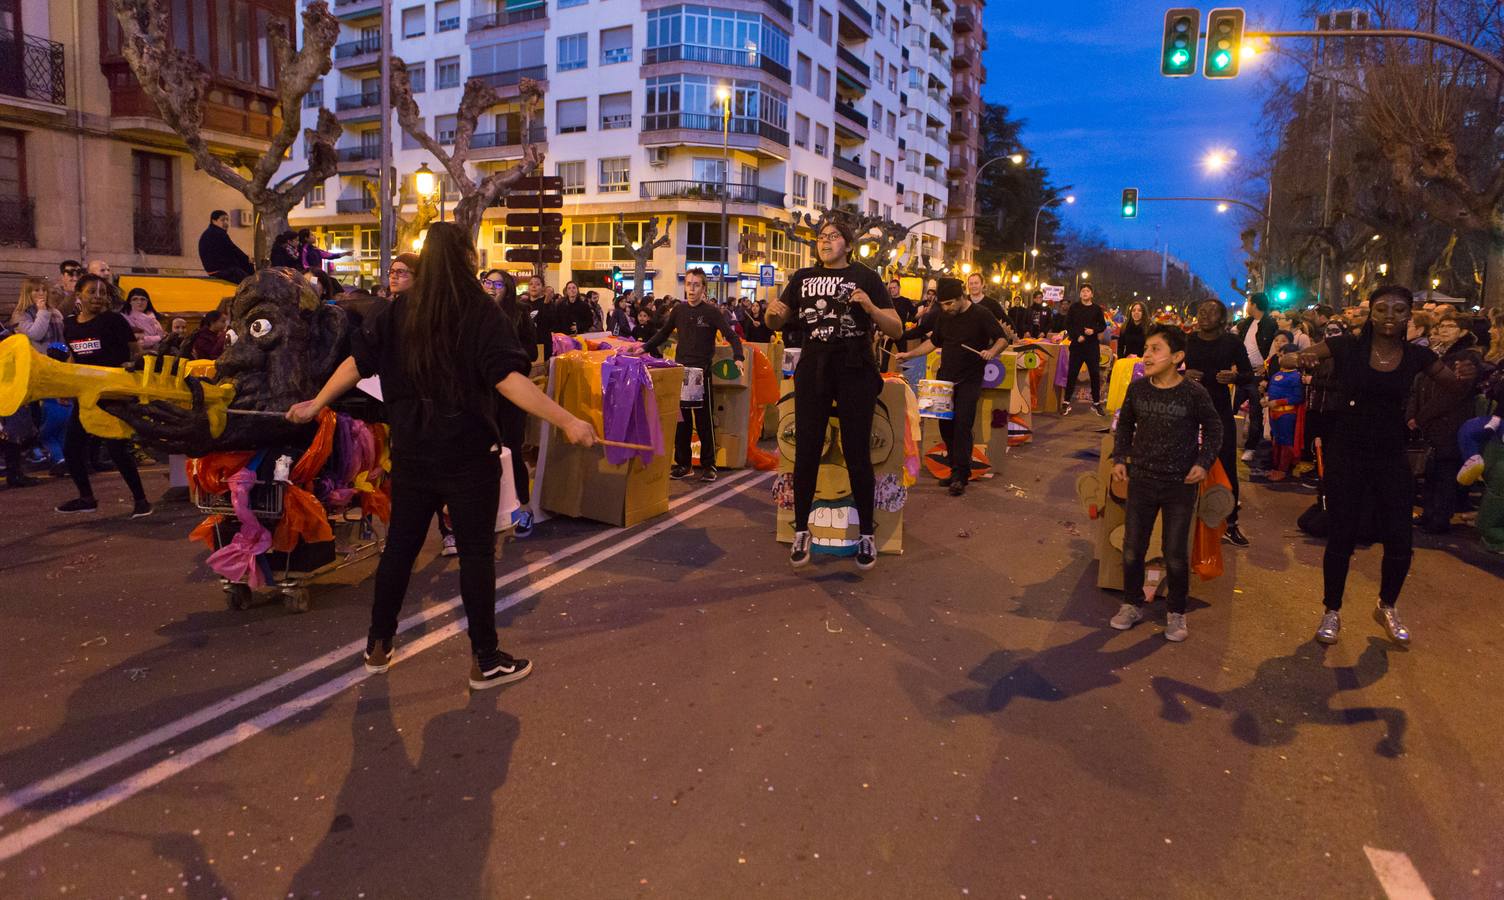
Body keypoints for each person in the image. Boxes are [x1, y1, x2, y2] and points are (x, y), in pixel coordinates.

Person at [286, 222, 597, 690]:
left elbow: (356, 363)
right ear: (468, 259)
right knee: (476, 556)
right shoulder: (480, 312)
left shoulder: (398, 311)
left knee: (400, 551)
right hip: (468, 456)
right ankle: (485, 660)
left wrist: (316, 403)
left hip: (412, 455)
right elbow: (507, 380)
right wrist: (568, 421)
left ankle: (377, 644)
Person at [1283, 285, 1476, 646]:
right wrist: (1299, 358)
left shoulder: (1417, 357)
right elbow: (1291, 359)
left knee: (1400, 538)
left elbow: (1454, 388)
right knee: (1342, 534)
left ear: (1408, 316)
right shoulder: (1346, 347)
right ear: (1371, 312)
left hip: (1390, 454)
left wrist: (1465, 377)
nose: (1390, 316)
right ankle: (1332, 610)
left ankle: (1386, 605)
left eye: (1399, 310)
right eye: (1382, 309)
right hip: (1348, 451)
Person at [764, 219, 901, 570]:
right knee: (807, 449)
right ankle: (802, 530)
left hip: (855, 366)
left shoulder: (867, 276)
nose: (825, 242)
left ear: (848, 244)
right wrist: (772, 315)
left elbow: (896, 328)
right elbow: (776, 321)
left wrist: (870, 307)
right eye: (821, 237)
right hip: (814, 366)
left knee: (858, 451)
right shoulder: (802, 278)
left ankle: (866, 534)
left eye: (833, 236)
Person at [1108, 325, 1223, 643]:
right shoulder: (1138, 389)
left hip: (1179, 485)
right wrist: (1120, 458)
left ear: (1177, 357)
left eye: (1156, 349)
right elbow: (1125, 425)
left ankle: (1176, 613)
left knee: (1174, 553)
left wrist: (1203, 463)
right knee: (1132, 550)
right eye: (1146, 348)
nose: (1147, 354)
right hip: (1142, 480)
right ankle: (1131, 604)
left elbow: (1215, 430)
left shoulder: (1194, 393)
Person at [894, 277, 1008, 496]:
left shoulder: (982, 314)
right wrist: (909, 354)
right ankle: (956, 469)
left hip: (970, 379)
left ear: (961, 298)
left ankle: (960, 476)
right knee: (945, 427)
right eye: (942, 304)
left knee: (963, 425)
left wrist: (992, 352)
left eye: (949, 304)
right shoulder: (944, 316)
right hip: (945, 378)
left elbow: (1002, 339)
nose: (945, 308)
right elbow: (933, 342)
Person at [54, 275, 152, 518]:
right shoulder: (70, 325)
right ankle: (86, 498)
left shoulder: (114, 320)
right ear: (79, 294)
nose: (97, 297)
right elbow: (73, 358)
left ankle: (141, 501)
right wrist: (66, 387)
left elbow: (135, 352)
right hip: (86, 394)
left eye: (102, 292)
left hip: (112, 394)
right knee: (72, 448)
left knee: (117, 448)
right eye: (91, 291)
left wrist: (132, 365)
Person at [639, 268, 744, 482]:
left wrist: (738, 356)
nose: (692, 289)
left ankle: (709, 464)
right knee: (682, 421)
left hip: (701, 373)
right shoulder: (678, 311)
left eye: (696, 285)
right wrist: (643, 347)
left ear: (704, 289)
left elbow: (731, 335)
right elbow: (663, 333)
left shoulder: (712, 312)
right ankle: (683, 464)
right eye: (688, 284)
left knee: (704, 421)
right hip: (681, 371)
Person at [1183, 298, 1254, 546]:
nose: (1203, 315)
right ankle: (1185, 518)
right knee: (1183, 461)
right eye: (1201, 310)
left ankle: (1230, 523)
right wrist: (1184, 374)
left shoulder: (1232, 343)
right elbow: (1170, 365)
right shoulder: (1188, 340)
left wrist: (1234, 376)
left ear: (1222, 320)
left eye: (1210, 312)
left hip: (1219, 409)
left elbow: (1248, 375)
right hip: (1188, 408)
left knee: (1225, 466)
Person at [1407, 309, 1483, 533]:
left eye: (1450, 327)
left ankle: (1439, 518)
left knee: (1445, 473)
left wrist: (1422, 416)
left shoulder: (1467, 357)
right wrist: (1414, 413)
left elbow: (1451, 393)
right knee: (1432, 471)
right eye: (1441, 326)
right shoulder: (1439, 352)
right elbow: (1419, 384)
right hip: (1434, 422)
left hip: (1450, 421)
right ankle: (1429, 514)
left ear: (1463, 331)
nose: (1443, 330)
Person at [1235, 292, 1278, 461]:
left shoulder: (1270, 324)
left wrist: (1266, 366)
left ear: (1254, 304)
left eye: (1248, 302)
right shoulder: (1246, 323)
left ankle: (1251, 447)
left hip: (1258, 376)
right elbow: (1239, 344)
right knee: (1232, 406)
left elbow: (1274, 349)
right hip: (1242, 373)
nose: (1246, 305)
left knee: (1255, 412)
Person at [1061, 283, 1108, 416]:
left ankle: (1096, 403)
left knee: (1094, 374)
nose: (1085, 293)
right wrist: (1077, 336)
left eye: (1087, 291)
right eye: (1083, 291)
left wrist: (1093, 331)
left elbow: (1103, 325)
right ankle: (1066, 402)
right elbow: (1067, 324)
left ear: (1092, 294)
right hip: (1077, 346)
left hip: (1092, 346)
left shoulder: (1097, 309)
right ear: (1080, 294)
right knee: (1072, 374)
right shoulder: (1074, 307)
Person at [10, 277, 65, 353]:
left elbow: (62, 337)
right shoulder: (20, 315)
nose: (41, 293)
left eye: (44, 290)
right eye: (36, 290)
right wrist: (42, 311)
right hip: (35, 359)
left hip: (57, 358)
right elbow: (36, 334)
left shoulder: (55, 312)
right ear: (28, 293)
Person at [198, 210, 254, 283]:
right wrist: (247, 259)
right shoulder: (219, 233)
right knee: (250, 282)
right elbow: (233, 250)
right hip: (222, 270)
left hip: (213, 270)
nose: (226, 223)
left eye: (227, 220)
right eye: (223, 220)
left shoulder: (209, 233)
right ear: (214, 221)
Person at [122, 288, 164, 353]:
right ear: (129, 302)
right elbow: (136, 341)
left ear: (147, 302)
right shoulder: (124, 318)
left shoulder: (153, 317)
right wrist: (158, 338)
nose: (139, 302)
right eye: (135, 299)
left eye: (143, 299)